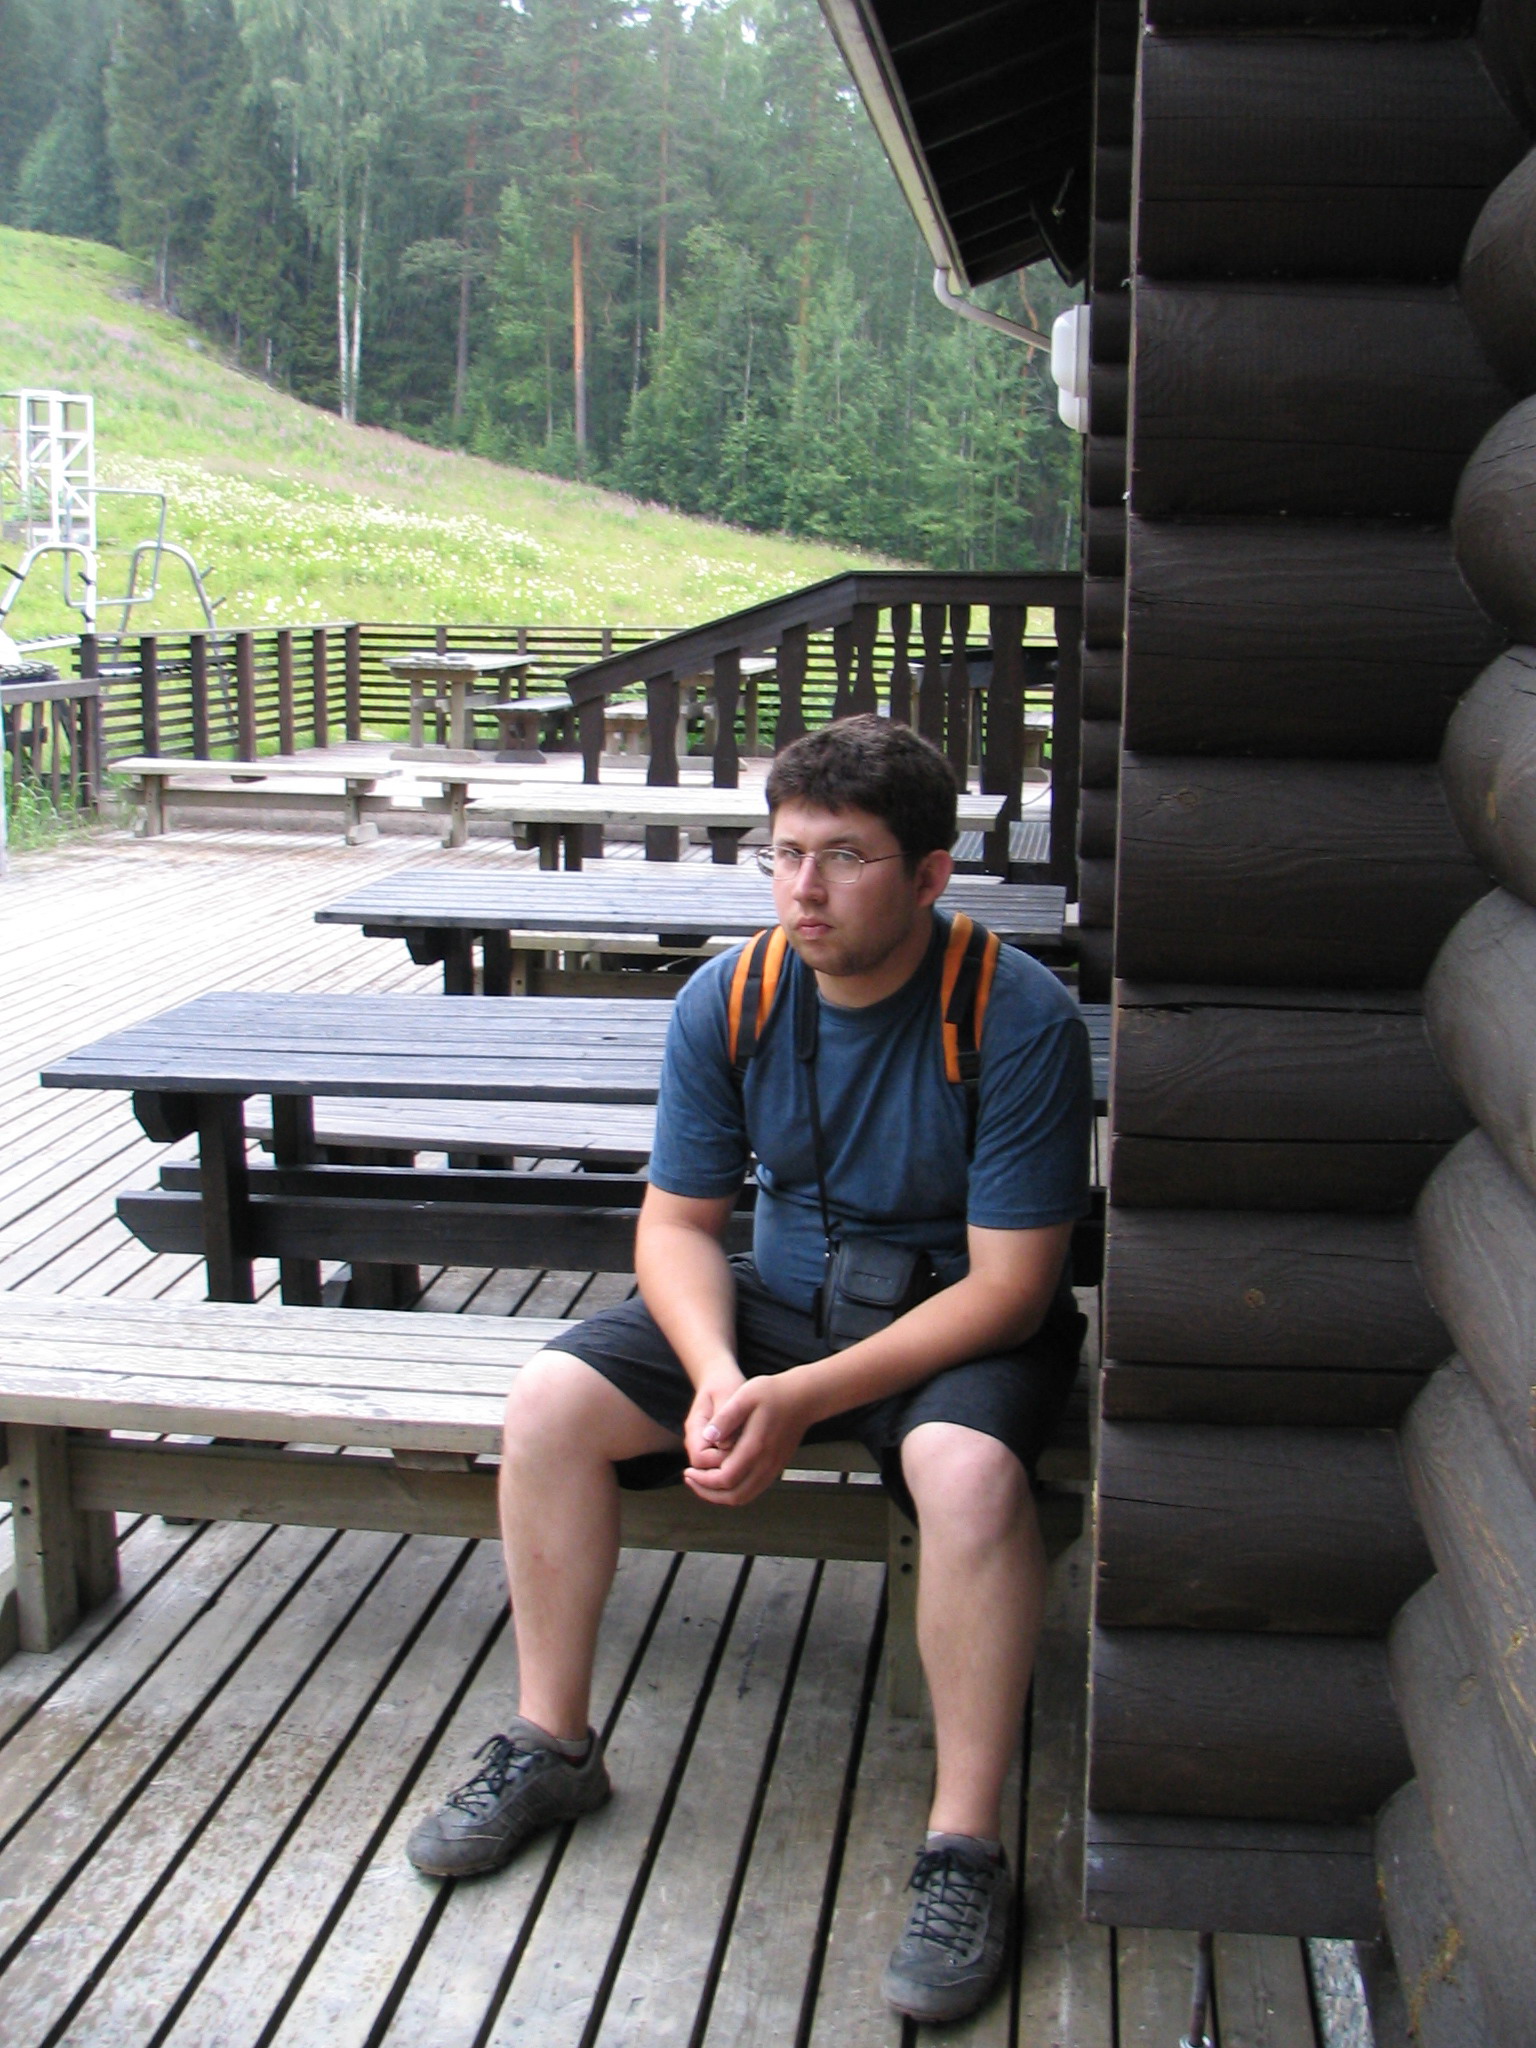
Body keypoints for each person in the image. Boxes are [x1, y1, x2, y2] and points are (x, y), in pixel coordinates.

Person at [406, 713, 1092, 2026]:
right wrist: (722, 1372)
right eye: (784, 855)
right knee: (548, 1402)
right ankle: (552, 1742)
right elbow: (676, 1228)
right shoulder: (733, 997)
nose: (803, 890)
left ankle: (964, 1848)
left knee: (966, 1478)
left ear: (931, 875)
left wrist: (804, 1398)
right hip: (775, 1307)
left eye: (845, 858)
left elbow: (1013, 1288)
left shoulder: (1017, 1017)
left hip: (952, 1317)